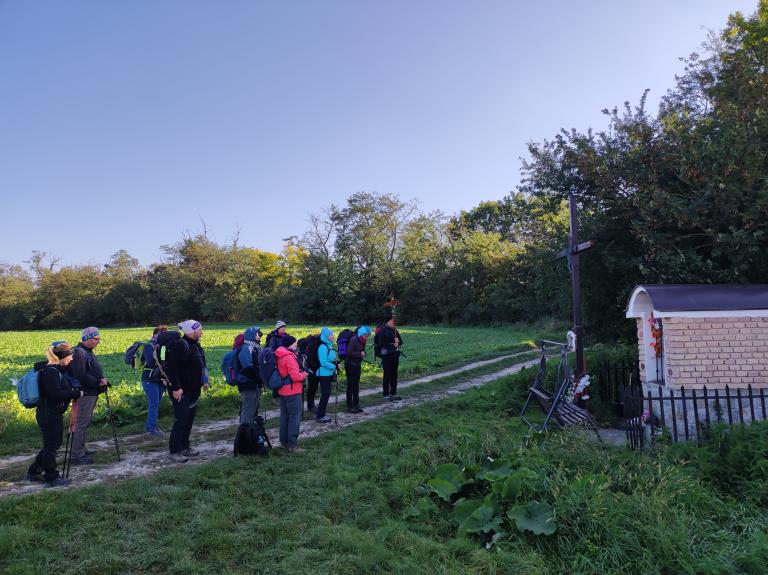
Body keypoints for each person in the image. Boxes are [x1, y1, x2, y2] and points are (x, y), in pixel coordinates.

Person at [26, 341, 83, 488]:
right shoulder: (51, 372)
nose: (71, 359)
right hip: (49, 414)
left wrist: (72, 391)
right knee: (51, 447)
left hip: (48, 412)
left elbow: (56, 391)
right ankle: (51, 477)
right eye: (70, 356)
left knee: (51, 445)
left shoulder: (51, 369)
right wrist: (75, 393)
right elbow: (55, 394)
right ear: (63, 355)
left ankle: (33, 471)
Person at [166, 320, 209, 463]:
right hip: (181, 391)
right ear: (190, 331)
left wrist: (204, 381)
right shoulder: (181, 345)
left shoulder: (195, 345)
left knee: (189, 420)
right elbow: (172, 369)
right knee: (181, 420)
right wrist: (176, 388)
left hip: (193, 390)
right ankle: (174, 451)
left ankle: (185, 447)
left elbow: (201, 364)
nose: (201, 332)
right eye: (199, 330)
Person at [68, 326, 108, 465]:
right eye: (96, 339)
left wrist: (101, 378)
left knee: (84, 422)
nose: (99, 342)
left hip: (90, 392)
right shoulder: (79, 352)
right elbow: (80, 374)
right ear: (88, 338)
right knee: (81, 423)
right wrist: (97, 382)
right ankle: (76, 455)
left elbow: (90, 371)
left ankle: (81, 449)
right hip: (85, 393)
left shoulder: (87, 351)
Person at [275, 335, 306, 452]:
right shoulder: (289, 357)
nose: (296, 345)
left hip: (282, 390)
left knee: (285, 416)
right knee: (295, 417)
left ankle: (284, 442)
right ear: (290, 344)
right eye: (294, 343)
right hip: (293, 390)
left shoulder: (279, 354)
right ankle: (293, 445)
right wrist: (304, 375)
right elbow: (295, 376)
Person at [142, 325, 168, 437]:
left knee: (155, 404)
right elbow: (151, 362)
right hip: (149, 379)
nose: (163, 336)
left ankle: (153, 427)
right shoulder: (149, 346)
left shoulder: (164, 346)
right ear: (155, 334)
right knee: (154, 404)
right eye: (161, 333)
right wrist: (159, 350)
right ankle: (151, 429)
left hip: (160, 379)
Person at [237, 326, 263, 425]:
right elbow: (247, 368)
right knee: (247, 410)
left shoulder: (255, 347)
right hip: (247, 383)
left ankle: (250, 429)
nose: (260, 336)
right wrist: (259, 378)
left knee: (253, 410)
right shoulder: (246, 348)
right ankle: (244, 430)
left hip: (254, 383)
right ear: (251, 335)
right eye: (258, 333)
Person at [377, 315, 403, 401]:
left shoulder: (395, 330)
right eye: (392, 321)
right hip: (386, 355)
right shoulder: (383, 330)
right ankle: (386, 394)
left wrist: (398, 342)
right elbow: (381, 344)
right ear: (388, 321)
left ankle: (393, 393)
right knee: (387, 374)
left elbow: (400, 341)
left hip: (395, 354)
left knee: (394, 375)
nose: (394, 323)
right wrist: (392, 344)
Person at [344, 326, 371, 413]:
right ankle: (350, 406)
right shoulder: (354, 340)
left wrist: (363, 353)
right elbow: (349, 353)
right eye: (366, 335)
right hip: (350, 365)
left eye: (368, 335)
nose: (367, 337)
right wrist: (360, 354)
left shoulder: (363, 340)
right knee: (351, 385)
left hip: (357, 364)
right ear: (361, 334)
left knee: (356, 385)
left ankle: (356, 404)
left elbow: (362, 351)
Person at [315, 327, 338, 423]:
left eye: (332, 334)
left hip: (329, 373)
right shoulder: (323, 347)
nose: (332, 336)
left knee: (327, 394)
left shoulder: (330, 345)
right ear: (325, 336)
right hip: (324, 374)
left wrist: (336, 363)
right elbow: (323, 362)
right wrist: (333, 366)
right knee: (325, 394)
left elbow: (331, 359)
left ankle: (322, 414)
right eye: (330, 335)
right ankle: (320, 415)